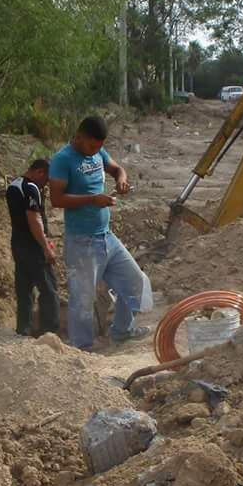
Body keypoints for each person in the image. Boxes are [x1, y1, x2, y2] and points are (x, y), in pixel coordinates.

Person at [47, 115, 149, 351]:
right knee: (82, 300)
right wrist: (93, 199)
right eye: (92, 146)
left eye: (100, 147)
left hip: (106, 237)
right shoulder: (63, 160)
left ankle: (122, 331)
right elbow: (56, 199)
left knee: (136, 282)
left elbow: (116, 169)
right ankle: (81, 349)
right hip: (82, 241)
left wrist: (122, 180)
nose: (96, 151)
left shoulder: (97, 153)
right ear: (79, 137)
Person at [6, 158, 59, 337]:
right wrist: (46, 247)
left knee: (24, 290)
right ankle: (49, 334)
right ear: (40, 172)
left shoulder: (14, 185)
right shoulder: (31, 188)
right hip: (33, 246)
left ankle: (24, 330)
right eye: (46, 180)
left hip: (18, 244)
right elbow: (34, 219)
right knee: (49, 289)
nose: (46, 185)